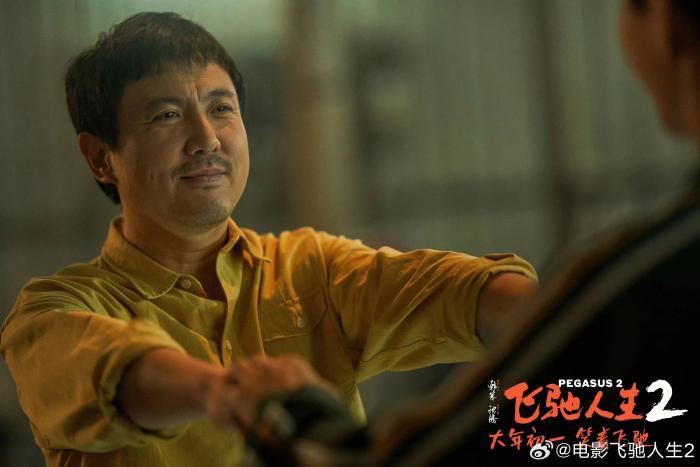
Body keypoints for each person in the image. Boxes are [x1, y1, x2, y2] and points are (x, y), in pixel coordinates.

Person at [0, 11, 537, 467]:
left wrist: (551, 316)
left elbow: (458, 292)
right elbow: (110, 370)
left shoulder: (310, 268)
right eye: (167, 115)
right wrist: (223, 392)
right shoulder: (53, 311)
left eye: (221, 108)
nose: (206, 139)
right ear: (100, 157)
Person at [238, 1, 700, 465]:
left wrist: (293, 410)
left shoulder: (646, 280)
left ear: (667, 22)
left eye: (223, 108)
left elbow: (437, 452)